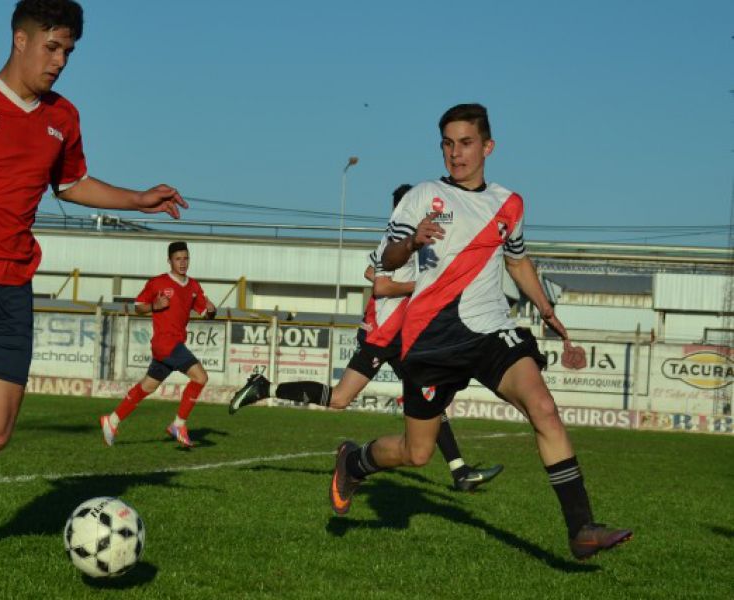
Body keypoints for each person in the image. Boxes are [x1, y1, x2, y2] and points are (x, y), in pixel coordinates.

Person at [0, 0, 188, 585]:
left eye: (69, 50)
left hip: (13, 286)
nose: (61, 60)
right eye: (52, 46)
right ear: (19, 39)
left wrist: (136, 199)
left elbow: (72, 184)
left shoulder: (62, 117)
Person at [329, 103, 632, 560]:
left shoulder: (508, 203)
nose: (456, 153)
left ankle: (581, 528)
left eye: (466, 143)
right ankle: (355, 461)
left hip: (491, 331)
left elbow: (517, 259)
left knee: (544, 407)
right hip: (431, 340)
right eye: (448, 144)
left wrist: (546, 308)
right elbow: (387, 260)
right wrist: (411, 242)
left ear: (487, 146)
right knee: (417, 454)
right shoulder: (423, 195)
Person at [229, 184, 503, 492]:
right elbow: (381, 288)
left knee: (429, 401)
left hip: (403, 337)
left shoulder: (415, 242)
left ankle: (460, 471)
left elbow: (371, 272)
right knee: (340, 398)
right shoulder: (397, 239)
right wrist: (423, 286)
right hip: (384, 334)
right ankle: (265, 387)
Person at [100, 241, 216, 449]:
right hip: (165, 343)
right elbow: (138, 306)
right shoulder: (158, 283)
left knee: (148, 387)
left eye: (186, 258)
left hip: (174, 344)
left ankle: (112, 420)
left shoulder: (193, 286)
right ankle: (178, 424)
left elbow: (206, 313)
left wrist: (212, 310)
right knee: (201, 377)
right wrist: (155, 305)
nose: (183, 263)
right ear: (169, 260)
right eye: (178, 259)